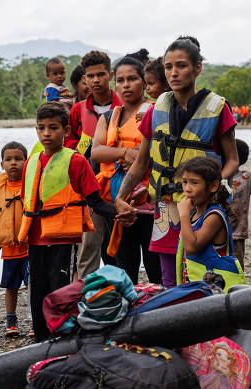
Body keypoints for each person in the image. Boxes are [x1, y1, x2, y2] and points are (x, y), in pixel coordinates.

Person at [114, 36, 239, 288]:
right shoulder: (156, 109)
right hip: (165, 208)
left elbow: (232, 160)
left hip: (202, 209)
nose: (174, 73)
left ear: (197, 68)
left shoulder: (217, 107)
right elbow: (141, 163)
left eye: (181, 66)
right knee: (168, 280)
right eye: (169, 67)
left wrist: (214, 189)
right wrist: (120, 197)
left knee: (204, 275)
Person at [18, 102, 118, 340]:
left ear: (65, 130)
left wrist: (118, 213)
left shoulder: (76, 161)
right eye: (41, 128)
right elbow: (25, 203)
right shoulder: (31, 162)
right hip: (35, 239)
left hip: (63, 240)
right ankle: (41, 339)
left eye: (53, 128)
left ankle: (62, 339)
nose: (46, 133)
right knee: (37, 293)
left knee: (60, 291)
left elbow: (95, 202)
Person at [90, 49, 160, 284]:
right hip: (118, 203)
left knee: (155, 266)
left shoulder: (154, 111)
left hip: (150, 203)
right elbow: (96, 151)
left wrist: (130, 156)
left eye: (133, 79)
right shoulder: (110, 116)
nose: (126, 85)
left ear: (144, 82)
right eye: (120, 80)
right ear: (115, 83)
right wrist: (123, 152)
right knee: (124, 266)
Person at [67, 51, 123, 278]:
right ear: (85, 79)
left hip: (120, 186)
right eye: (90, 76)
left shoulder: (124, 105)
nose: (96, 80)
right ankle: (83, 298)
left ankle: (120, 292)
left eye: (101, 74)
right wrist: (81, 150)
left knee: (118, 246)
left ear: (110, 75)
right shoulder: (78, 109)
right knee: (89, 246)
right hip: (89, 188)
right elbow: (68, 142)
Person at [175, 157, 245, 290]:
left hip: (214, 291)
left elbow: (191, 247)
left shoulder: (214, 216)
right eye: (184, 182)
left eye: (194, 183)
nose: (187, 189)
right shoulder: (192, 214)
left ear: (214, 186)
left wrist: (183, 215)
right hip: (195, 286)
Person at [0, 141, 29, 336]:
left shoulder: (31, 184)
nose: (13, 163)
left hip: (31, 246)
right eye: (8, 159)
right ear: (1, 164)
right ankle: (11, 320)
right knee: (10, 285)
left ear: (26, 163)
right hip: (10, 248)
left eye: (18, 159)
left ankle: (37, 319)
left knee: (33, 284)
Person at [227, 139, 251, 270]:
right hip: (235, 231)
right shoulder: (247, 177)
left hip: (228, 232)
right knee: (236, 266)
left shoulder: (216, 177)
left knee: (233, 265)